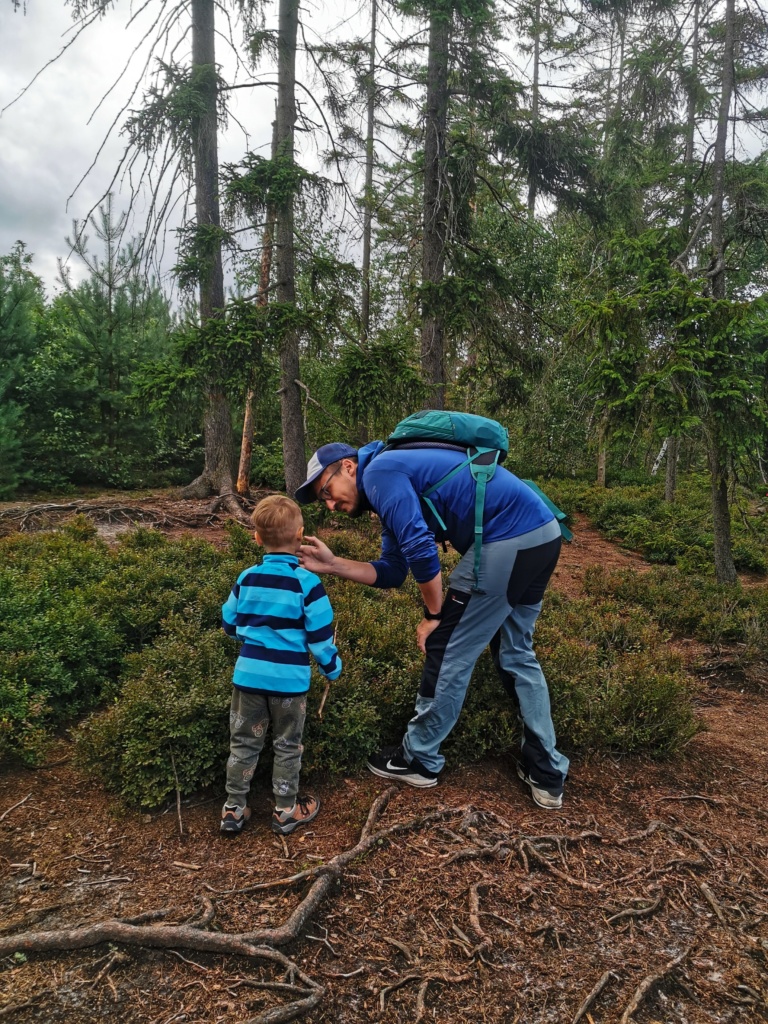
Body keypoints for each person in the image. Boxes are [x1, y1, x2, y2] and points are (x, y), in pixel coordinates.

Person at [295, 438, 568, 810]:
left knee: (445, 645)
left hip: (506, 538)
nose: (330, 505)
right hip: (541, 535)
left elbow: (422, 550)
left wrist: (434, 616)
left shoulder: (379, 472)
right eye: (323, 501)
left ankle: (419, 759)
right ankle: (547, 773)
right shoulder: (390, 479)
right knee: (515, 651)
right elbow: (392, 571)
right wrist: (331, 564)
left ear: (348, 467)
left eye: (327, 491)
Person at [220, 494, 341, 835]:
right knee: (288, 745)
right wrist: (332, 667)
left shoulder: (247, 578)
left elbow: (229, 621)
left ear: (257, 537)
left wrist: (247, 638)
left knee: (243, 743)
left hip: (248, 678)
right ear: (300, 535)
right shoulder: (307, 583)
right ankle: (286, 810)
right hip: (289, 683)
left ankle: (233, 809)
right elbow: (320, 636)